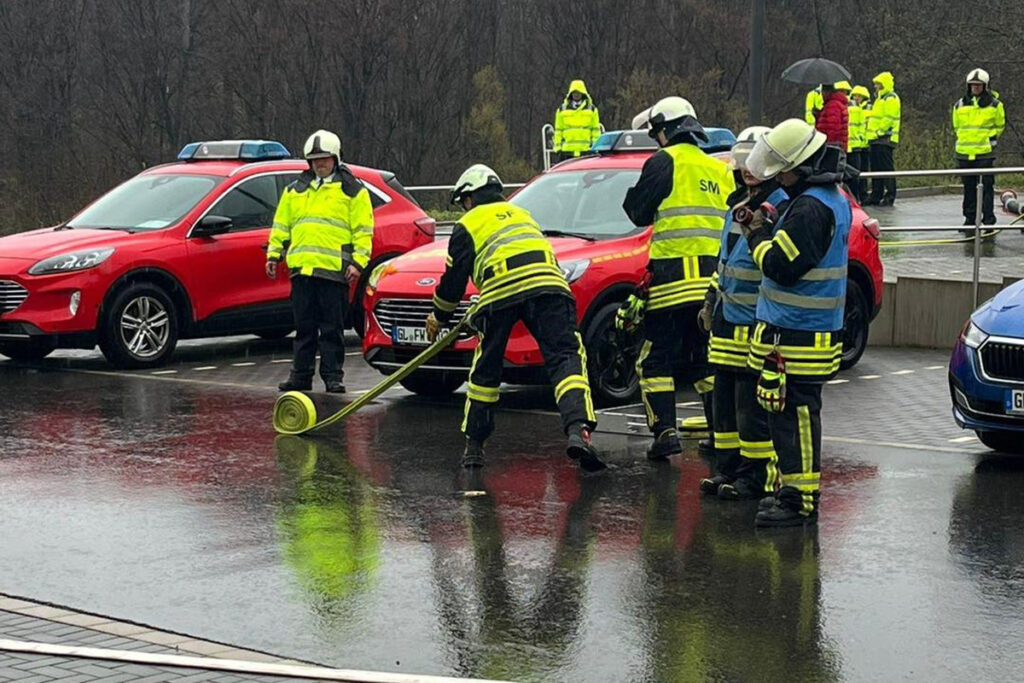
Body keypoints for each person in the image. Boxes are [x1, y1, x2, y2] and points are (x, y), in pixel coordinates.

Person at [425, 164, 604, 472]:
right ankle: (578, 431)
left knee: (486, 369)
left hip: (500, 293)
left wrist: (439, 316)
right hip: (551, 288)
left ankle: (474, 449)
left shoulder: (468, 222)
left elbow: (453, 282)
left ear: (468, 198)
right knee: (566, 360)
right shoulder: (524, 214)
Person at [742, 118, 852, 526]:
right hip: (798, 329)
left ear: (803, 167)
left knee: (798, 414)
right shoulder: (817, 198)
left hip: (802, 332)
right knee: (786, 414)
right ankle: (791, 490)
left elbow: (779, 265)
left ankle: (800, 500)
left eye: (783, 170)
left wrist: (755, 236)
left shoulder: (810, 207)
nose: (779, 178)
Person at [622, 96, 733, 461]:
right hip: (712, 286)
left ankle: (665, 432)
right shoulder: (718, 169)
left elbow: (637, 213)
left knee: (653, 361)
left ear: (666, 131)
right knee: (704, 359)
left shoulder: (663, 161)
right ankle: (721, 434)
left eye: (656, 134)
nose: (656, 141)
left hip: (671, 282)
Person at [698, 126, 785, 500]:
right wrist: (709, 299)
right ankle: (727, 468)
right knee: (726, 403)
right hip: (727, 318)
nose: (747, 168)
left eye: (755, 160)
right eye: (742, 160)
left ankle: (757, 477)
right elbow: (726, 261)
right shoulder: (735, 202)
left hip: (756, 320)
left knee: (753, 407)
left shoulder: (778, 203)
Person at [267, 129, 373, 393]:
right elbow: (281, 225)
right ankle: (300, 376)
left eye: (325, 159)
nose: (320, 164)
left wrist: (358, 262)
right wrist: (273, 253)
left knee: (331, 329)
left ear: (335, 159)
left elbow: (363, 230)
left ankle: (332, 376)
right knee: (304, 329)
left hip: (334, 273)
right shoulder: (295, 191)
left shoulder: (352, 192)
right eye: (315, 160)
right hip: (302, 271)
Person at [953, 68, 1006, 228]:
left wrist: (989, 140)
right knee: (968, 189)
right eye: (972, 85)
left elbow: (1000, 125)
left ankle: (988, 219)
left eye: (978, 85)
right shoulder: (960, 104)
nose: (975, 87)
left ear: (985, 86)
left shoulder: (995, 105)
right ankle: (969, 220)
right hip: (964, 153)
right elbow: (956, 126)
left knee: (986, 189)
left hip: (984, 154)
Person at [865, 71, 901, 206]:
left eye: (878, 84)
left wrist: (878, 132)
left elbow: (888, 119)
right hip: (876, 139)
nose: (875, 87)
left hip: (884, 139)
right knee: (876, 168)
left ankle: (890, 195)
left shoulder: (891, 98)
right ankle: (876, 194)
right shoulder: (880, 99)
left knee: (886, 168)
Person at [552, 80, 602, 160]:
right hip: (567, 152)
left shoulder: (592, 110)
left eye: (578, 92)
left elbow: (595, 130)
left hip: (586, 151)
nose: (576, 94)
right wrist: (558, 149)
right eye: (574, 92)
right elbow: (558, 130)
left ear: (583, 93)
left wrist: (595, 147)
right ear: (570, 93)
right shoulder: (562, 110)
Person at [847, 85, 872, 203]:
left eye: (859, 96)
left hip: (864, 144)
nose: (857, 98)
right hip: (855, 144)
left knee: (863, 171)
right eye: (855, 95)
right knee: (855, 172)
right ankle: (856, 195)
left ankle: (863, 194)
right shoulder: (852, 107)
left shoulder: (869, 108)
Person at [815, 82, 849, 151]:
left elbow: (833, 128)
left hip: (832, 146)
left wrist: (828, 145)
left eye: (822, 92)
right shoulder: (834, 104)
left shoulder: (833, 105)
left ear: (827, 92)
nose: (822, 95)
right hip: (837, 144)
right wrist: (818, 115)